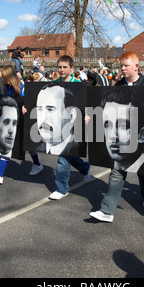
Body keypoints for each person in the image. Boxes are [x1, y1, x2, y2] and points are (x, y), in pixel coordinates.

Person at [89, 51, 144, 223]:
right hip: (121, 136)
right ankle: (107, 210)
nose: (122, 69)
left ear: (136, 66)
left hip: (139, 135)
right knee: (117, 171)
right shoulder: (118, 85)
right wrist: (92, 116)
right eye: (121, 65)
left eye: (126, 65)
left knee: (143, 170)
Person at [0, 65, 43, 185]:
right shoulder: (7, 88)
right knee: (11, 146)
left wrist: (26, 107)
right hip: (14, 120)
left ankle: (37, 164)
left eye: (5, 77)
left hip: (24, 119)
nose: (2, 79)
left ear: (10, 77)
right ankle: (0, 174)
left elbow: (33, 101)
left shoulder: (22, 87)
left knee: (27, 145)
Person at [47, 55, 91, 200]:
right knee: (68, 154)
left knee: (63, 156)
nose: (61, 70)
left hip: (75, 124)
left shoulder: (78, 84)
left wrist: (87, 115)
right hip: (59, 124)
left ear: (71, 68)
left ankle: (61, 188)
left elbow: (88, 103)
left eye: (65, 67)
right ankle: (84, 168)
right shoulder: (54, 84)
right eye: (59, 67)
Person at [35, 83, 82, 156]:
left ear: (71, 116)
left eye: (50, 109)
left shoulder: (78, 149)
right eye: (39, 109)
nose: (43, 117)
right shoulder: (38, 149)